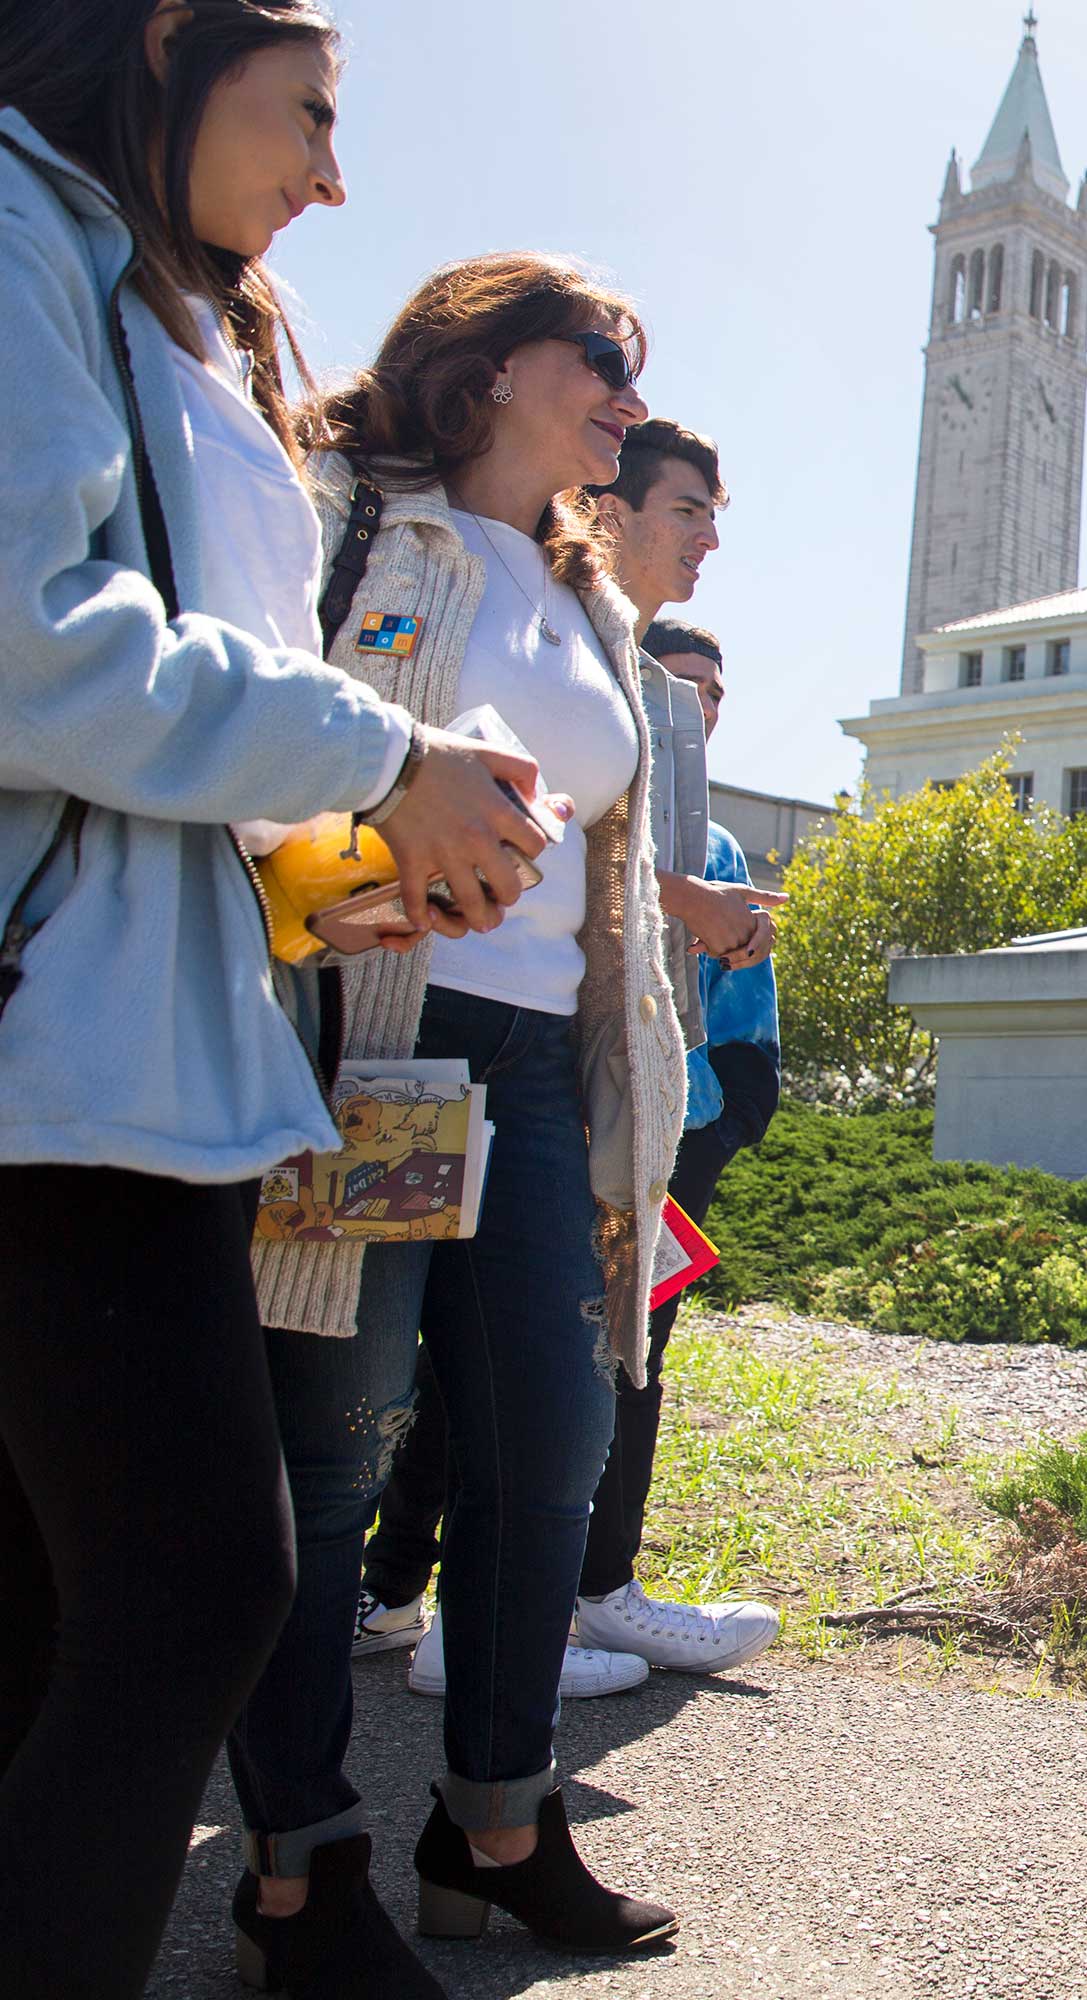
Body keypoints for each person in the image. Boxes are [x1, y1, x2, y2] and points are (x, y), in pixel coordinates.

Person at [0, 5, 543, 1993]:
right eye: (311, 109)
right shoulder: (21, 233)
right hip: (54, 1058)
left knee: (66, 1615)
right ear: (164, 42)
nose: (337, 173)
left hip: (129, 1039)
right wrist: (375, 761)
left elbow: (151, 733)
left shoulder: (165, 303)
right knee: (197, 1586)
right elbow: (37, 651)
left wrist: (345, 851)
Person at [223, 249, 693, 1985]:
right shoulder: (340, 511)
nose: (626, 405)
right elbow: (251, 737)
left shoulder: (596, 597)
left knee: (547, 1453)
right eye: (602, 363)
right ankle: (297, 1867)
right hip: (368, 1044)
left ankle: (495, 1827)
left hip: (544, 1072)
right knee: (331, 1458)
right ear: (491, 363)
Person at [358, 424, 778, 1686]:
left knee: (556, 1372)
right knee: (372, 1381)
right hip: (411, 1036)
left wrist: (711, 1098)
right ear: (611, 502)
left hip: (560, 1063)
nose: (711, 535)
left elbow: (583, 861)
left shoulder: (619, 672)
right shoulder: (470, 590)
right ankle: (369, 1625)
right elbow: (508, 821)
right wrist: (684, 901)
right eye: (690, 507)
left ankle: (522, 1662)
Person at [572, 616, 785, 1666]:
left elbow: (749, 1018)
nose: (700, 704)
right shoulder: (590, 791)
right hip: (561, 1110)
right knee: (502, 1354)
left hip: (680, 1135)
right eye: (684, 683)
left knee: (635, 1361)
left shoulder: (724, 846)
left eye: (716, 691)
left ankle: (606, 1577)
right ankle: (406, 1588)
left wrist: (727, 1123)